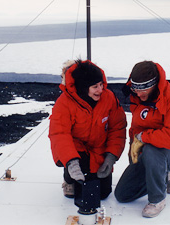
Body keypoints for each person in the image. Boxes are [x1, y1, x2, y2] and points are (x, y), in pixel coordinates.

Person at [114, 61, 170, 218]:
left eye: (144, 90)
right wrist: (133, 157)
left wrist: (144, 137)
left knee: (151, 149)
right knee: (122, 194)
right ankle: (160, 174)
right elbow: (136, 128)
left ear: (154, 84)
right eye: (136, 89)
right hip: (148, 154)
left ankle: (158, 199)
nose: (139, 94)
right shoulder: (138, 98)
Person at [49, 59, 127, 200]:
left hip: (99, 150)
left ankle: (90, 171)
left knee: (103, 194)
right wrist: (71, 162)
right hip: (76, 150)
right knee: (78, 193)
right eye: (95, 87)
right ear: (84, 88)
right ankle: (69, 178)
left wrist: (111, 156)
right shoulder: (64, 102)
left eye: (101, 84)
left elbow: (118, 128)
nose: (100, 90)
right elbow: (59, 134)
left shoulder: (109, 98)